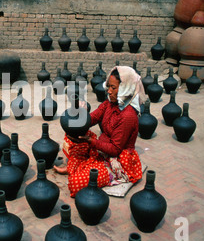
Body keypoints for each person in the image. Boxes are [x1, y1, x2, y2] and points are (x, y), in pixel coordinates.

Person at [54, 65, 146, 197]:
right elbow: (92, 118)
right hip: (103, 148)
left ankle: (79, 171)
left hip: (118, 160)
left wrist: (91, 141)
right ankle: (73, 168)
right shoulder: (110, 103)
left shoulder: (128, 116)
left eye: (113, 88)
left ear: (126, 88)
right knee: (76, 134)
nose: (109, 91)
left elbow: (115, 149)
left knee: (75, 182)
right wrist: (80, 115)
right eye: (109, 86)